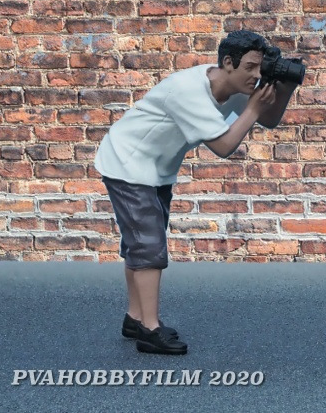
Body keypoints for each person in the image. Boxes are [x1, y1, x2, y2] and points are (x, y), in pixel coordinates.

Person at [94, 30, 299, 355]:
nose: (256, 76)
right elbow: (224, 146)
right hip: (128, 163)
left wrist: (283, 89)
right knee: (148, 245)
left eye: (260, 68)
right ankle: (150, 329)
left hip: (154, 167)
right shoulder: (190, 92)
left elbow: (268, 119)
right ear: (228, 63)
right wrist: (254, 110)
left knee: (141, 238)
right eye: (250, 68)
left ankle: (134, 318)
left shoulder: (229, 84)